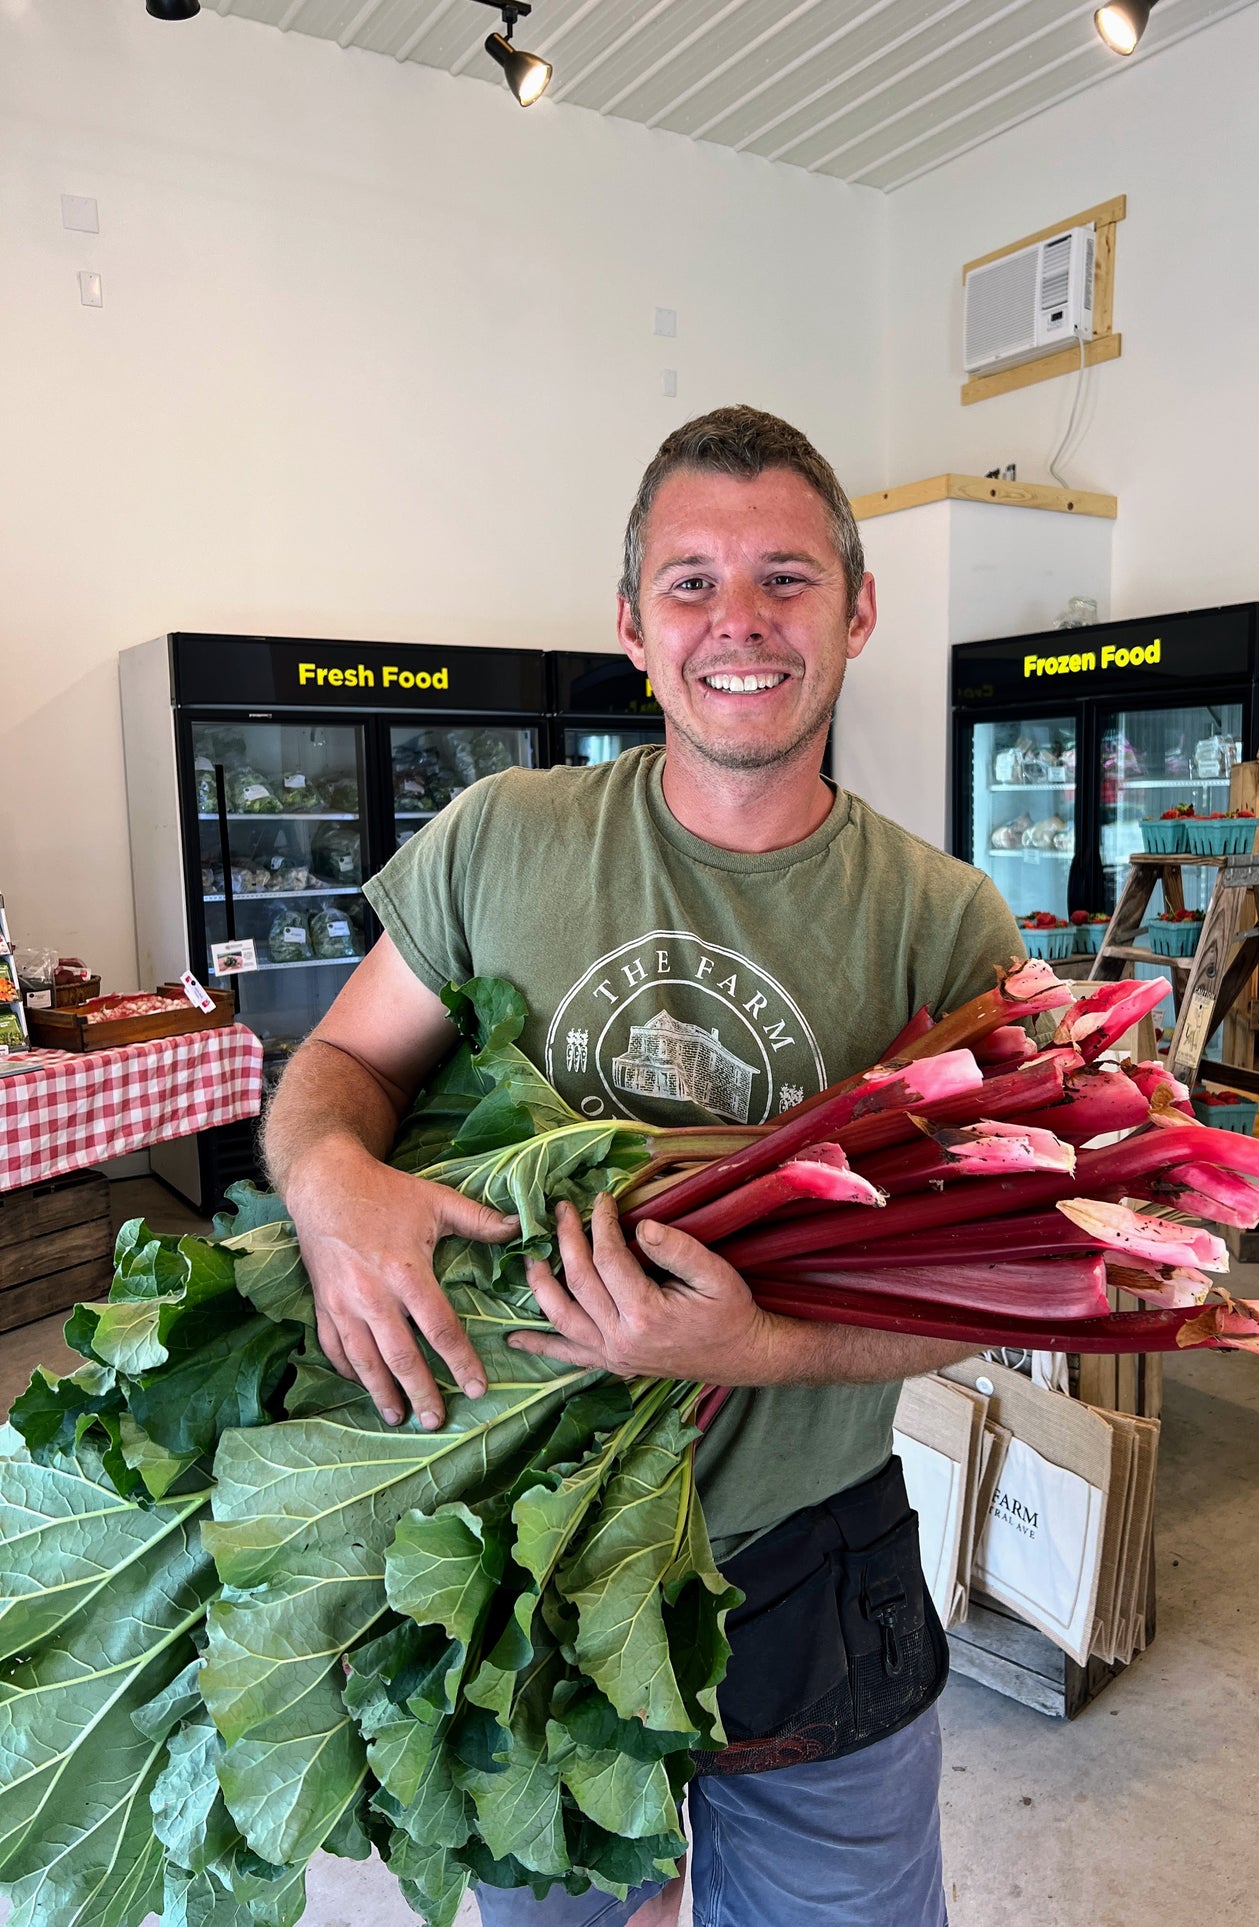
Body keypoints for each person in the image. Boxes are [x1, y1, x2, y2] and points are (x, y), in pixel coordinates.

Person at [262, 404, 1024, 1926]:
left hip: (806, 1561)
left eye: (786, 579)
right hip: (504, 1544)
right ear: (628, 622)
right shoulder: (501, 839)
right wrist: (327, 1183)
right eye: (689, 581)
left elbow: (986, 1296)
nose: (736, 623)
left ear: (858, 609)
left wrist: (759, 1345)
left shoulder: (944, 925)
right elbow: (337, 1072)